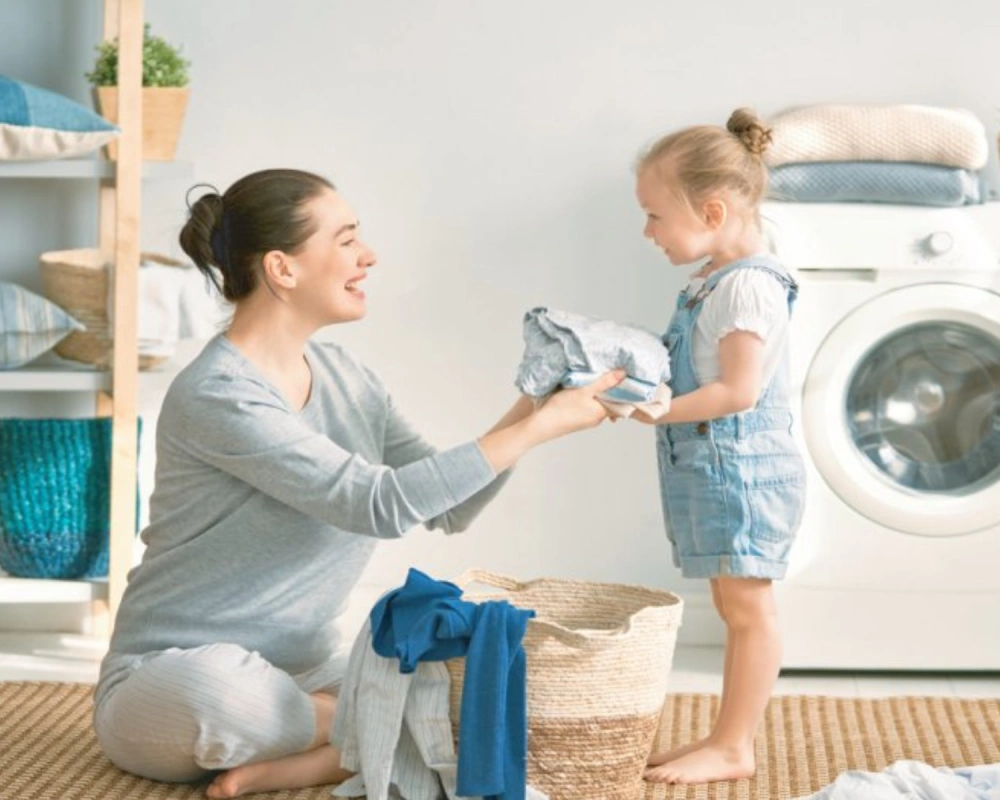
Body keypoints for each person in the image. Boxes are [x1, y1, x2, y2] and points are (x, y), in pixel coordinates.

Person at [91, 168, 624, 798]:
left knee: (478, 686)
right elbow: (376, 504)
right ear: (282, 269)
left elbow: (449, 504)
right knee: (226, 697)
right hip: (169, 676)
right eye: (346, 240)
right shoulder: (220, 393)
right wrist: (537, 429)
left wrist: (537, 405)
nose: (367, 255)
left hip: (310, 673)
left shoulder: (347, 375)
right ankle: (365, 733)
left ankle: (324, 748)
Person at [631, 111, 806, 784]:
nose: (647, 232)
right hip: (718, 468)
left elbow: (738, 391)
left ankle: (735, 747)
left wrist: (660, 410)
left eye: (654, 216)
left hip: (743, 473)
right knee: (735, 607)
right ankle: (725, 737)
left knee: (748, 608)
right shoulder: (716, 278)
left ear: (710, 209)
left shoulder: (746, 287)